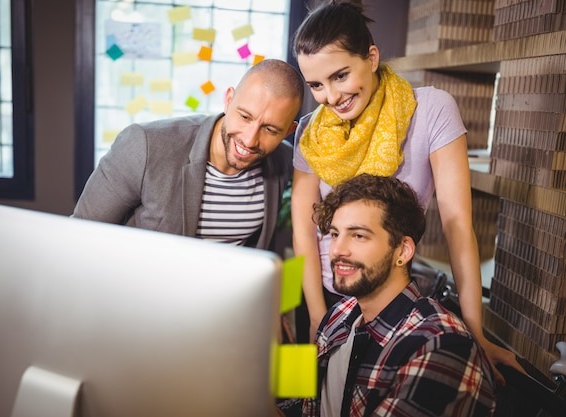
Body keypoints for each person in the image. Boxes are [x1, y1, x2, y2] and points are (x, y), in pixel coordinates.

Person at [289, 0, 523, 384]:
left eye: (340, 75)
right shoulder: (310, 131)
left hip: (388, 303)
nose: (330, 97)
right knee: (295, 396)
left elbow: (457, 222)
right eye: (316, 84)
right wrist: (317, 317)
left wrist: (474, 328)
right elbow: (303, 228)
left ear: (372, 56)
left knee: (366, 402)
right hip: (317, 297)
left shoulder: (431, 108)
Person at [303, 173, 496, 416]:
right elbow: (306, 405)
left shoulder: (440, 344)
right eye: (334, 234)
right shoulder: (339, 315)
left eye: (359, 235)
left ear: (403, 251)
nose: (338, 250)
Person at [73, 59, 304, 251]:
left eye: (270, 130)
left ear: (288, 131)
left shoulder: (284, 161)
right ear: (229, 99)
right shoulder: (144, 145)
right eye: (245, 117)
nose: (250, 139)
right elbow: (80, 235)